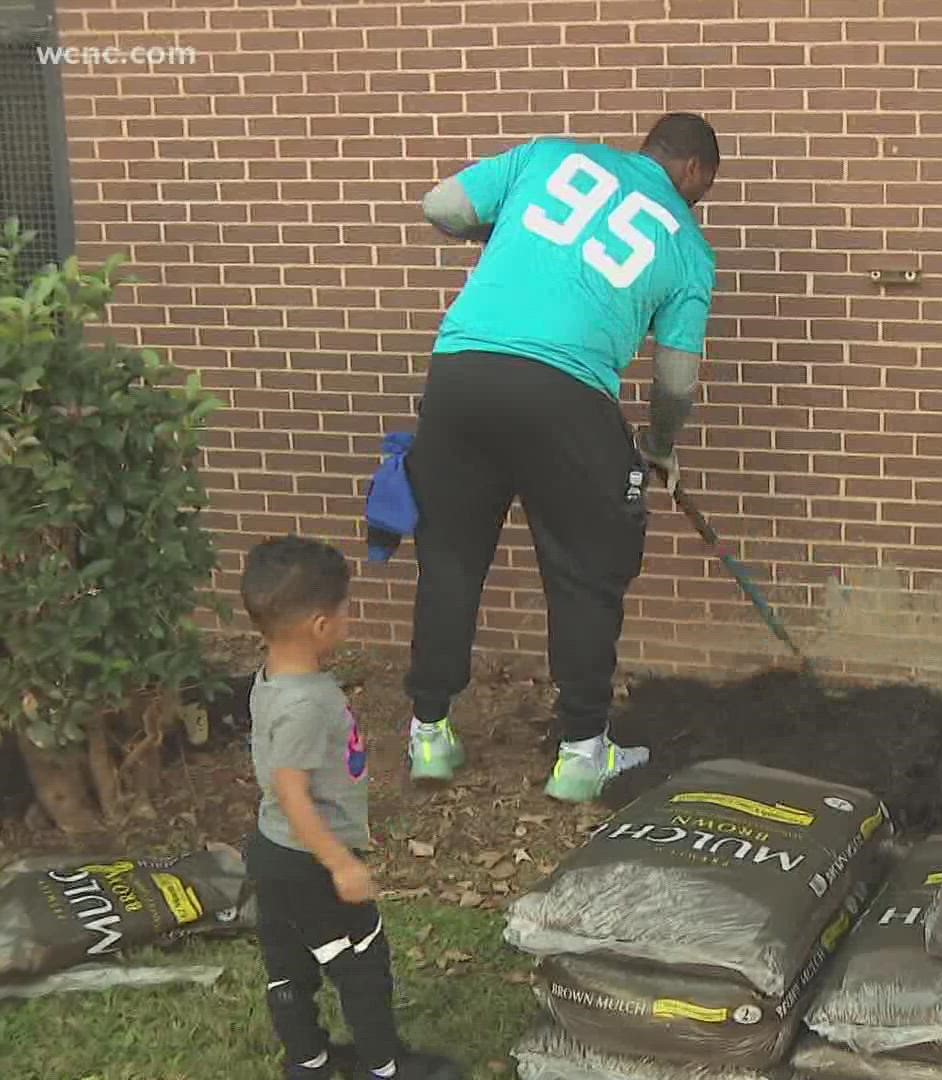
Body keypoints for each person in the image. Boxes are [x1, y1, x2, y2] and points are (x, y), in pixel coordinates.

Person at [403, 113, 721, 803]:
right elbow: (675, 381)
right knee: (586, 571)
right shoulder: (689, 247)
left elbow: (442, 206)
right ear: (693, 172)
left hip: (462, 374)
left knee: (450, 558)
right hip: (568, 395)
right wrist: (660, 448)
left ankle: (429, 733)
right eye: (705, 187)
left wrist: (502, 232)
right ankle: (581, 754)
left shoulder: (546, 158)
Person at [241, 535, 462, 1080]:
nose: (348, 619)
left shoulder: (271, 678)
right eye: (344, 610)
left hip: (272, 854)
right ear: (320, 625)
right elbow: (293, 793)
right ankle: (385, 1067)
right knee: (361, 960)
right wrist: (339, 863)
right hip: (308, 861)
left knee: (289, 962)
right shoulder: (306, 704)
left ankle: (308, 1062)